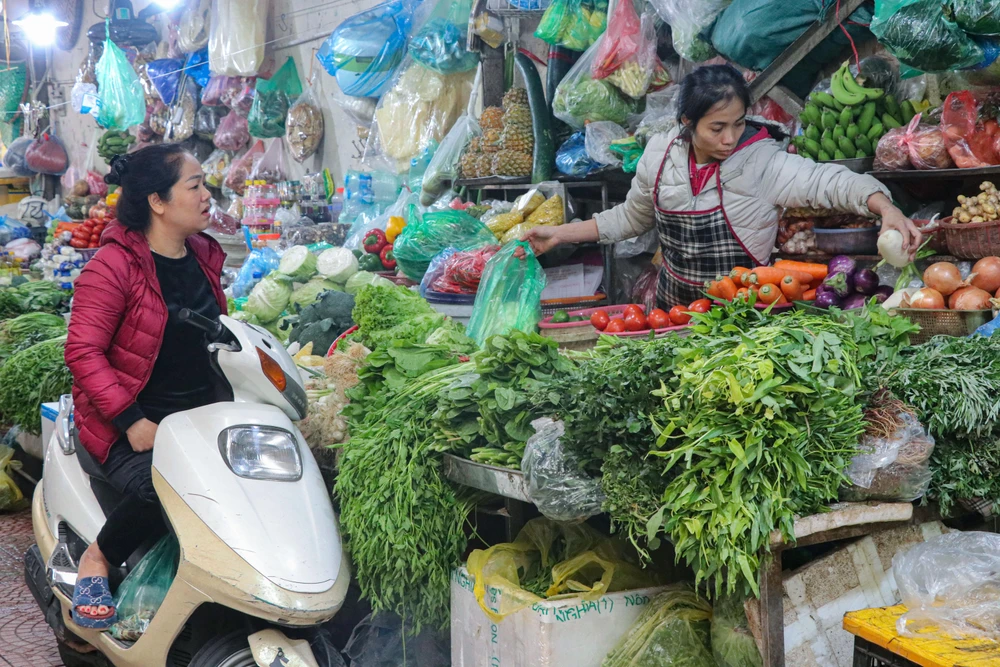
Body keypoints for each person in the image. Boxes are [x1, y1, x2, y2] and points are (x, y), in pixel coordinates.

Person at [523, 64, 922, 307]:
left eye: (737, 124)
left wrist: (886, 208)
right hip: (674, 312)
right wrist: (559, 234)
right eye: (717, 128)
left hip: (745, 318)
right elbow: (630, 218)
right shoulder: (659, 156)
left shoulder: (761, 161)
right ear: (687, 124)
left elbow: (826, 180)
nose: (730, 138)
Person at [64, 144, 226, 629]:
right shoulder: (113, 267)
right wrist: (131, 420)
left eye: (204, 184)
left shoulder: (202, 255)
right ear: (158, 201)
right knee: (169, 488)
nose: (206, 195)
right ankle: (98, 557)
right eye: (194, 186)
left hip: (198, 419)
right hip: (131, 427)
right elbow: (83, 352)